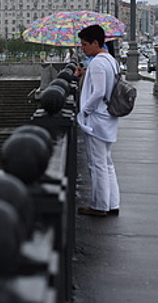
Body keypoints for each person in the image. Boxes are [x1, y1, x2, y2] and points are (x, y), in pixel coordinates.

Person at [75, 25, 120, 217]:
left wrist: (84, 110)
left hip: (97, 120)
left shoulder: (97, 63)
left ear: (95, 43)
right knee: (107, 163)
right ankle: (112, 203)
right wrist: (86, 74)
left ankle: (99, 206)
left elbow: (99, 92)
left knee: (97, 164)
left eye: (85, 44)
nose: (82, 48)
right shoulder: (110, 60)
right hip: (108, 118)